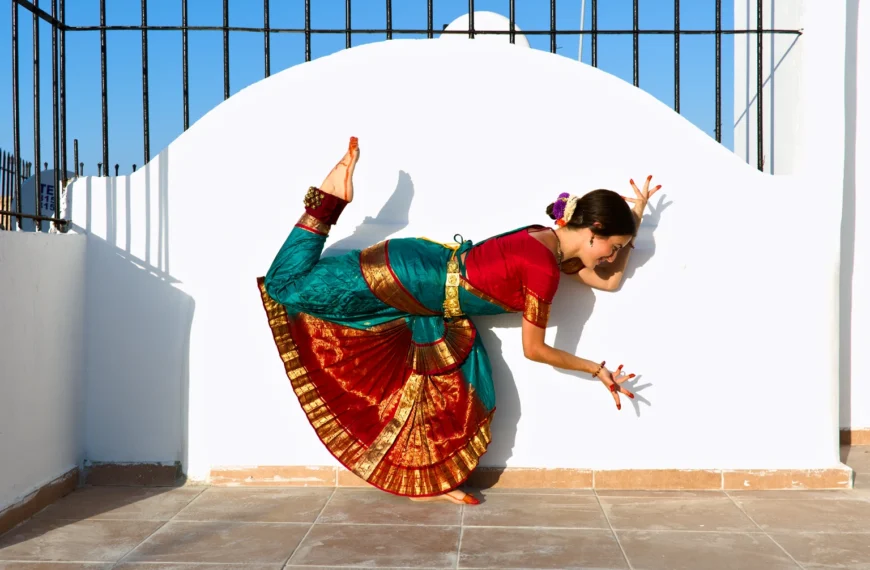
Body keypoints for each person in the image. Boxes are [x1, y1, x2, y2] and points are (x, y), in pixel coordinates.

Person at [258, 137, 661, 505]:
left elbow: (608, 282)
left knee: (453, 389)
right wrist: (596, 369)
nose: (612, 257)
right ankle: (329, 199)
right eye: (614, 246)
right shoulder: (544, 268)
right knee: (285, 285)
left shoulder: (547, 240)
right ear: (594, 230)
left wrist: (635, 216)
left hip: (430, 294)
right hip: (406, 276)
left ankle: (431, 480)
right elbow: (534, 350)